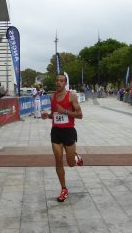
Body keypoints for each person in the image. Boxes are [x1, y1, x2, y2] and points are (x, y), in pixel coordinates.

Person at [41, 74, 83, 202]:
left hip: (69, 132)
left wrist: (65, 111)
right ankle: (64, 189)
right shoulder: (52, 96)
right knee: (58, 160)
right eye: (57, 80)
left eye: (61, 81)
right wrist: (47, 115)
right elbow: (54, 115)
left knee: (70, 164)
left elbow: (80, 115)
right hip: (56, 132)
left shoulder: (72, 96)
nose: (58, 83)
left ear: (65, 83)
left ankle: (76, 156)